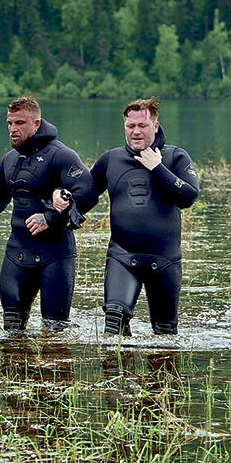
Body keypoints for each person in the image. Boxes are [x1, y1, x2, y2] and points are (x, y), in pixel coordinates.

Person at [75, 97, 200, 336]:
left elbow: (189, 197)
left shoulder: (175, 157)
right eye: (130, 126)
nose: (136, 132)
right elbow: (86, 197)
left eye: (142, 126)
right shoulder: (111, 159)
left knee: (165, 338)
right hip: (123, 255)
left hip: (165, 259)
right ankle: (120, 373)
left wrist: (157, 168)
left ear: (155, 125)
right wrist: (62, 201)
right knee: (114, 323)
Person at [0, 97, 93, 332]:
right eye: (9, 123)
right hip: (16, 254)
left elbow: (88, 191)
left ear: (37, 124)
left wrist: (50, 218)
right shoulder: (9, 159)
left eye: (20, 122)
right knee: (11, 330)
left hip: (56, 257)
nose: (12, 129)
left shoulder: (61, 155)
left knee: (54, 331)